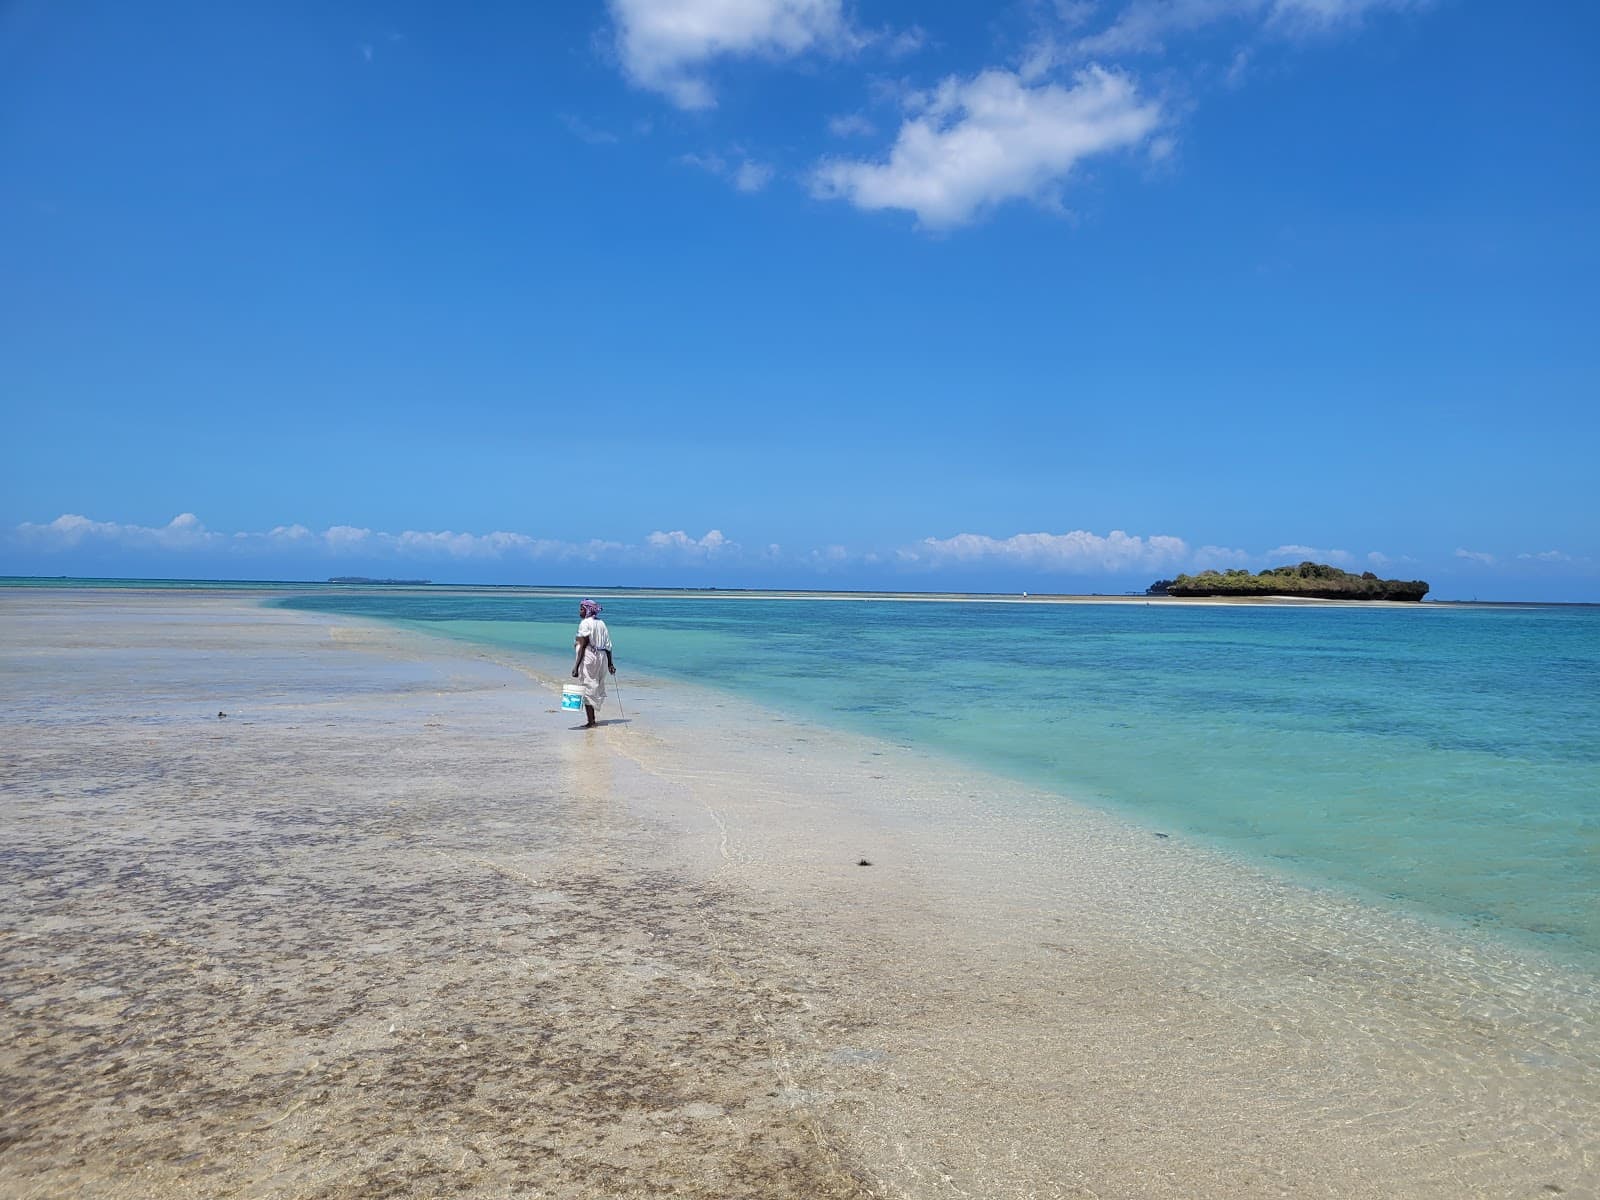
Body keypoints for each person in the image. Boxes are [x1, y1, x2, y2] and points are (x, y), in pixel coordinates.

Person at [570, 598, 615, 728]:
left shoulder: (585, 623)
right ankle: (592, 719)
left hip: (589, 656)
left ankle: (591, 721)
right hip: (602, 657)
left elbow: (583, 645)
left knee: (588, 686)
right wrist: (610, 664)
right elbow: (608, 646)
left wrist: (576, 666)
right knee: (597, 685)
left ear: (587, 610)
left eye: (581, 609)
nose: (579, 611)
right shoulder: (601, 623)